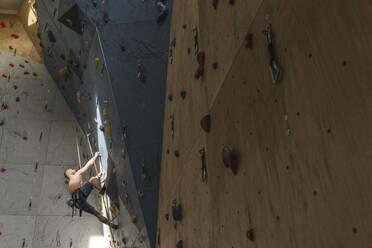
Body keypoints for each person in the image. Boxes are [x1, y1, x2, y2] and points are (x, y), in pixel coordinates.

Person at [64, 152, 118, 229]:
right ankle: (102, 190)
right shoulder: (75, 175)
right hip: (79, 195)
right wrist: (95, 156)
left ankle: (111, 225)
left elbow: (84, 189)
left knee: (96, 214)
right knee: (92, 179)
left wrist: (97, 177)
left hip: (77, 203)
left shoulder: (70, 185)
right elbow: (88, 165)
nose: (73, 169)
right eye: (71, 169)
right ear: (69, 173)